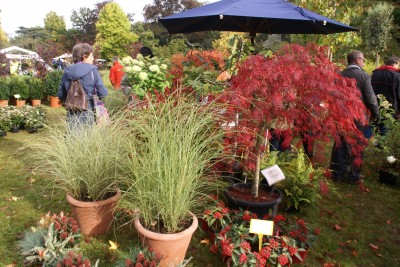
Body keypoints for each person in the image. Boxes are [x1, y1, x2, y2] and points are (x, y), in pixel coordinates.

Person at [330, 50, 380, 184]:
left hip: (340, 115)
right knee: (357, 146)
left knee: (339, 144)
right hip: (358, 117)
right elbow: (370, 99)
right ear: (357, 60)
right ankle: (353, 176)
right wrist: (375, 114)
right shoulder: (363, 76)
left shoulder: (339, 75)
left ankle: (337, 173)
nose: (364, 62)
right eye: (363, 60)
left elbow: (333, 97)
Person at [58, 43, 108, 129]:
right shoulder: (93, 71)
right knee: (87, 137)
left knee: (72, 135)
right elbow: (102, 93)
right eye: (91, 56)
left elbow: (61, 95)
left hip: (71, 111)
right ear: (84, 56)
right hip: (88, 111)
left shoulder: (66, 72)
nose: (93, 58)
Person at [371, 56, 400, 131]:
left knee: (375, 131)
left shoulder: (375, 74)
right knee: (386, 134)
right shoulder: (397, 76)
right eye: (398, 65)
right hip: (391, 110)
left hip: (375, 108)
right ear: (394, 64)